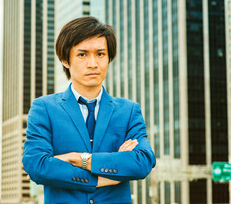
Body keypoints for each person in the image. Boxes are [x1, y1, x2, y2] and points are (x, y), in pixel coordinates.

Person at [22, 16, 156, 204]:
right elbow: (36, 166)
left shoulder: (129, 111)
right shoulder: (43, 108)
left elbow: (142, 163)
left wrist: (79, 158)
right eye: (82, 54)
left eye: (100, 54)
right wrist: (111, 173)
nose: (93, 63)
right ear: (65, 60)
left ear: (109, 58)